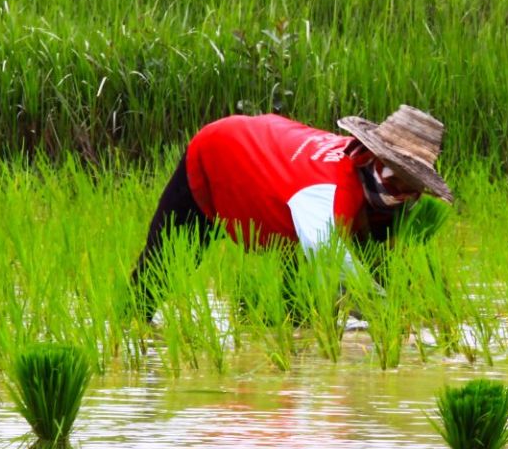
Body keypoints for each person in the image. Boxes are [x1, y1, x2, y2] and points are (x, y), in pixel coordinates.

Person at [128, 105, 454, 316]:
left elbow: (394, 272)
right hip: (222, 155)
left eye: (415, 184)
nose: (409, 194)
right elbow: (338, 268)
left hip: (279, 170)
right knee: (157, 278)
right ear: (374, 158)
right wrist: (388, 317)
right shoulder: (327, 193)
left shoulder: (382, 189)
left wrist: (432, 309)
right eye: (402, 178)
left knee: (296, 306)